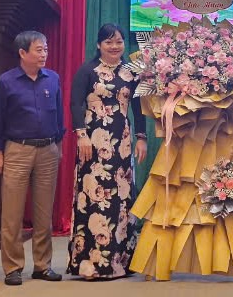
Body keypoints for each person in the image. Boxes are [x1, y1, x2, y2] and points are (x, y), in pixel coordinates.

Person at [67, 23, 147, 279]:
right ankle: (91, 262)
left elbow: (138, 107)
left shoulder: (130, 72)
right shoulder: (88, 70)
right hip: (93, 143)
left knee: (120, 198)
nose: (114, 47)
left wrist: (141, 138)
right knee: (95, 196)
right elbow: (75, 103)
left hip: (122, 143)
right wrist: (81, 136)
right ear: (99, 45)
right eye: (109, 42)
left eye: (119, 42)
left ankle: (120, 262)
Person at [0, 31, 65, 285]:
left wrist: (58, 145)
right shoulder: (6, 81)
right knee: (12, 213)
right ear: (22, 53)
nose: (44, 54)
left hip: (48, 149)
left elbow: (59, 116)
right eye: (38, 50)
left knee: (44, 214)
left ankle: (42, 265)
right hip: (17, 150)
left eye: (45, 49)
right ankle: (13, 267)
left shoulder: (53, 79)